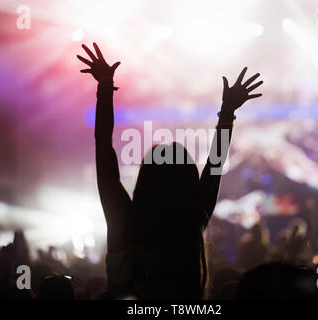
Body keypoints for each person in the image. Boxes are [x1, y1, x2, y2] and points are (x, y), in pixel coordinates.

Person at [77, 43, 263, 299]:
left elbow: (103, 148)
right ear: (188, 182)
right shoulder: (193, 223)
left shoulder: (125, 224)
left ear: (145, 178)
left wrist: (105, 88)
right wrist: (227, 112)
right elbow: (215, 164)